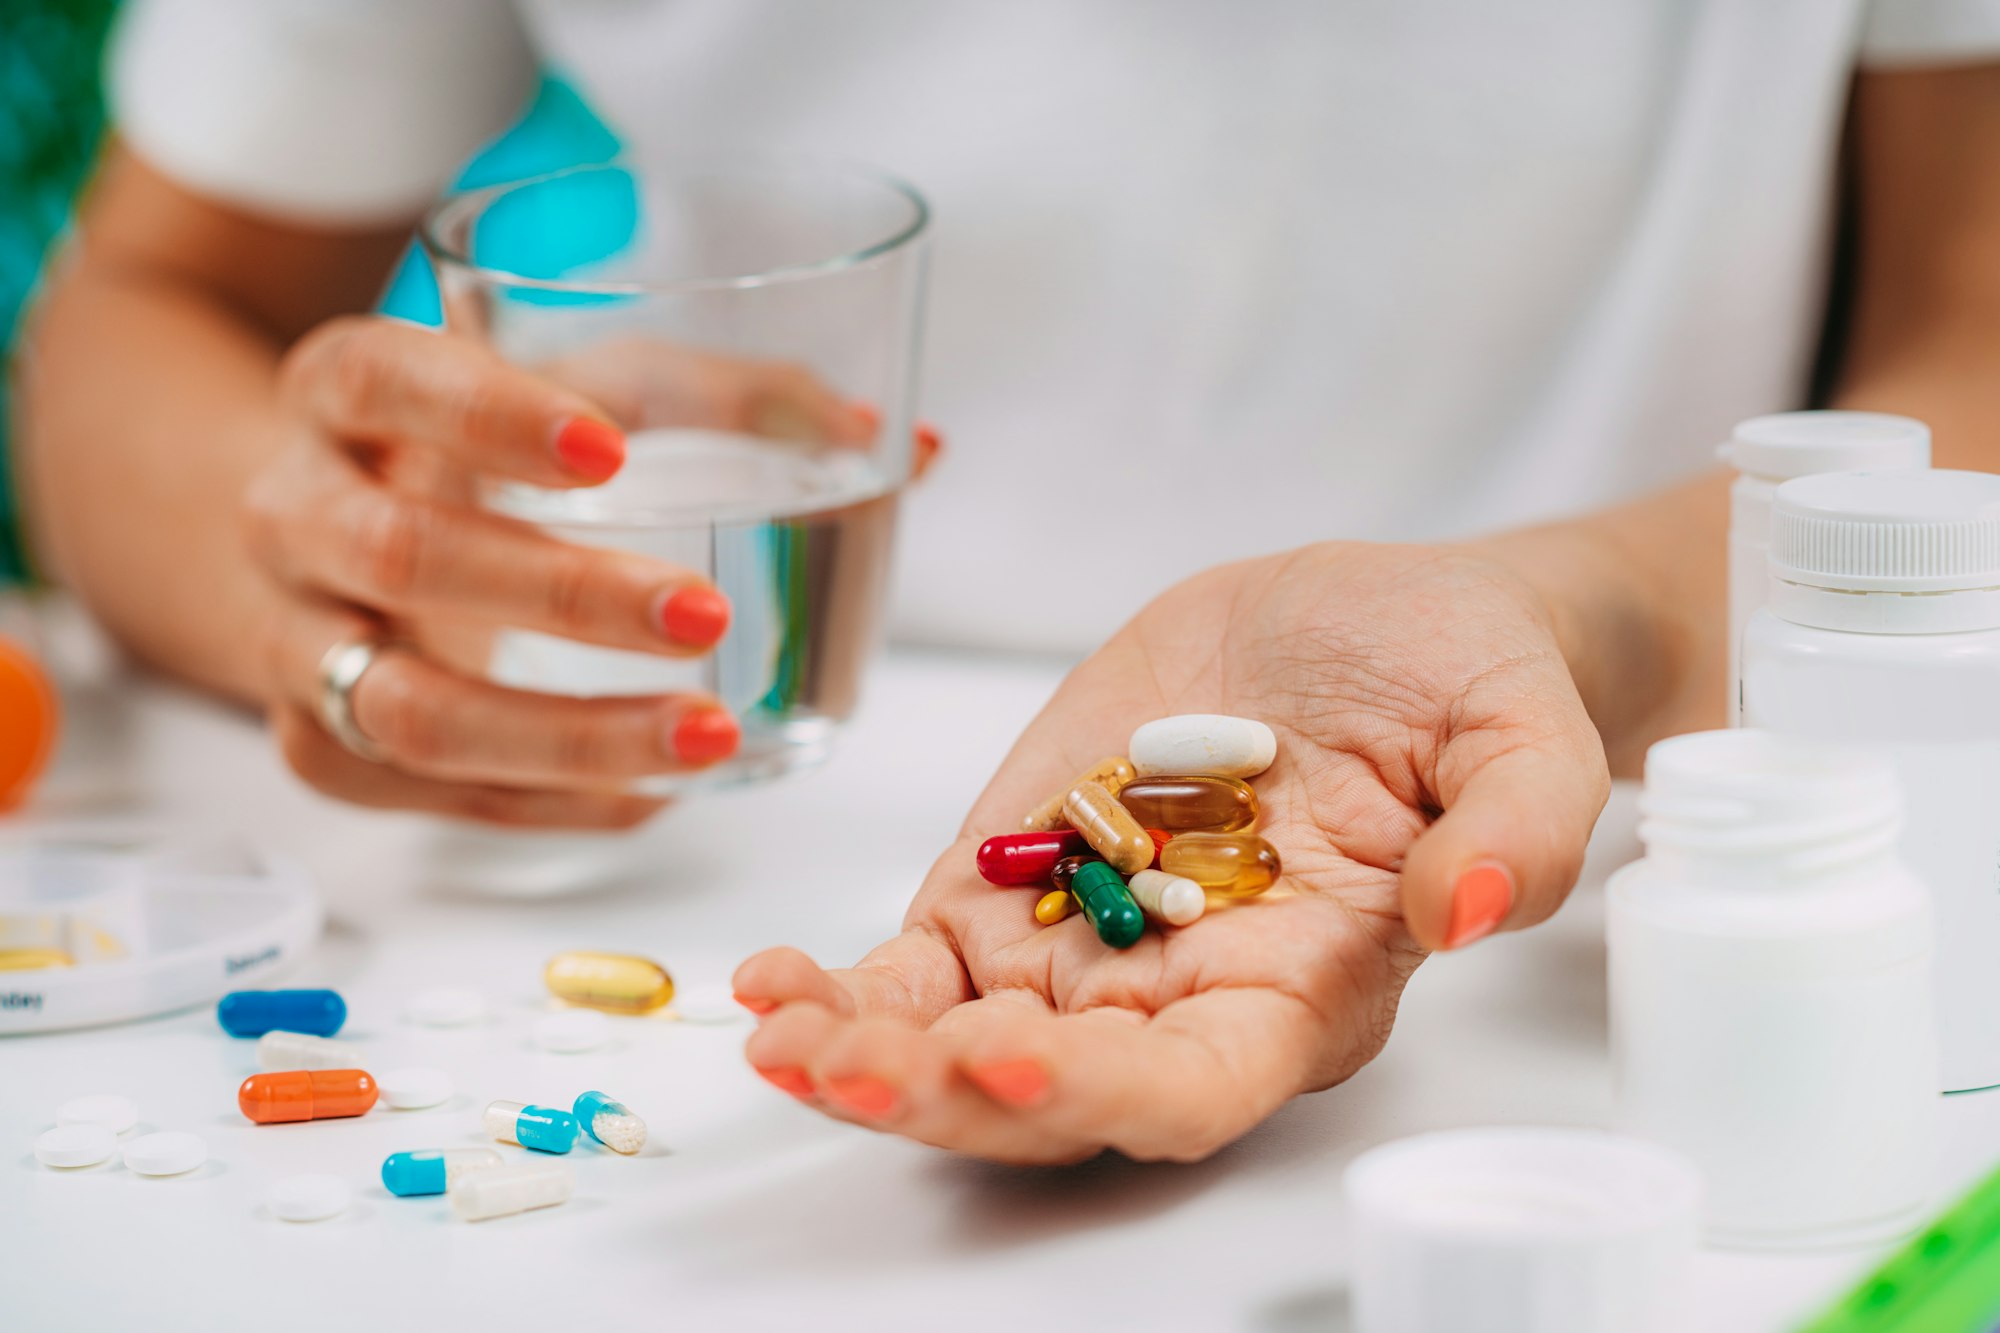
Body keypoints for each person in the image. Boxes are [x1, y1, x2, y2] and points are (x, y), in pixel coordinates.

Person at [14, 2, 2000, 1161]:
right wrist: (328, 562)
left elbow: (1972, 335)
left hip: (1592, 886)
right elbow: (147, 305)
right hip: (703, 845)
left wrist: (1590, 615)